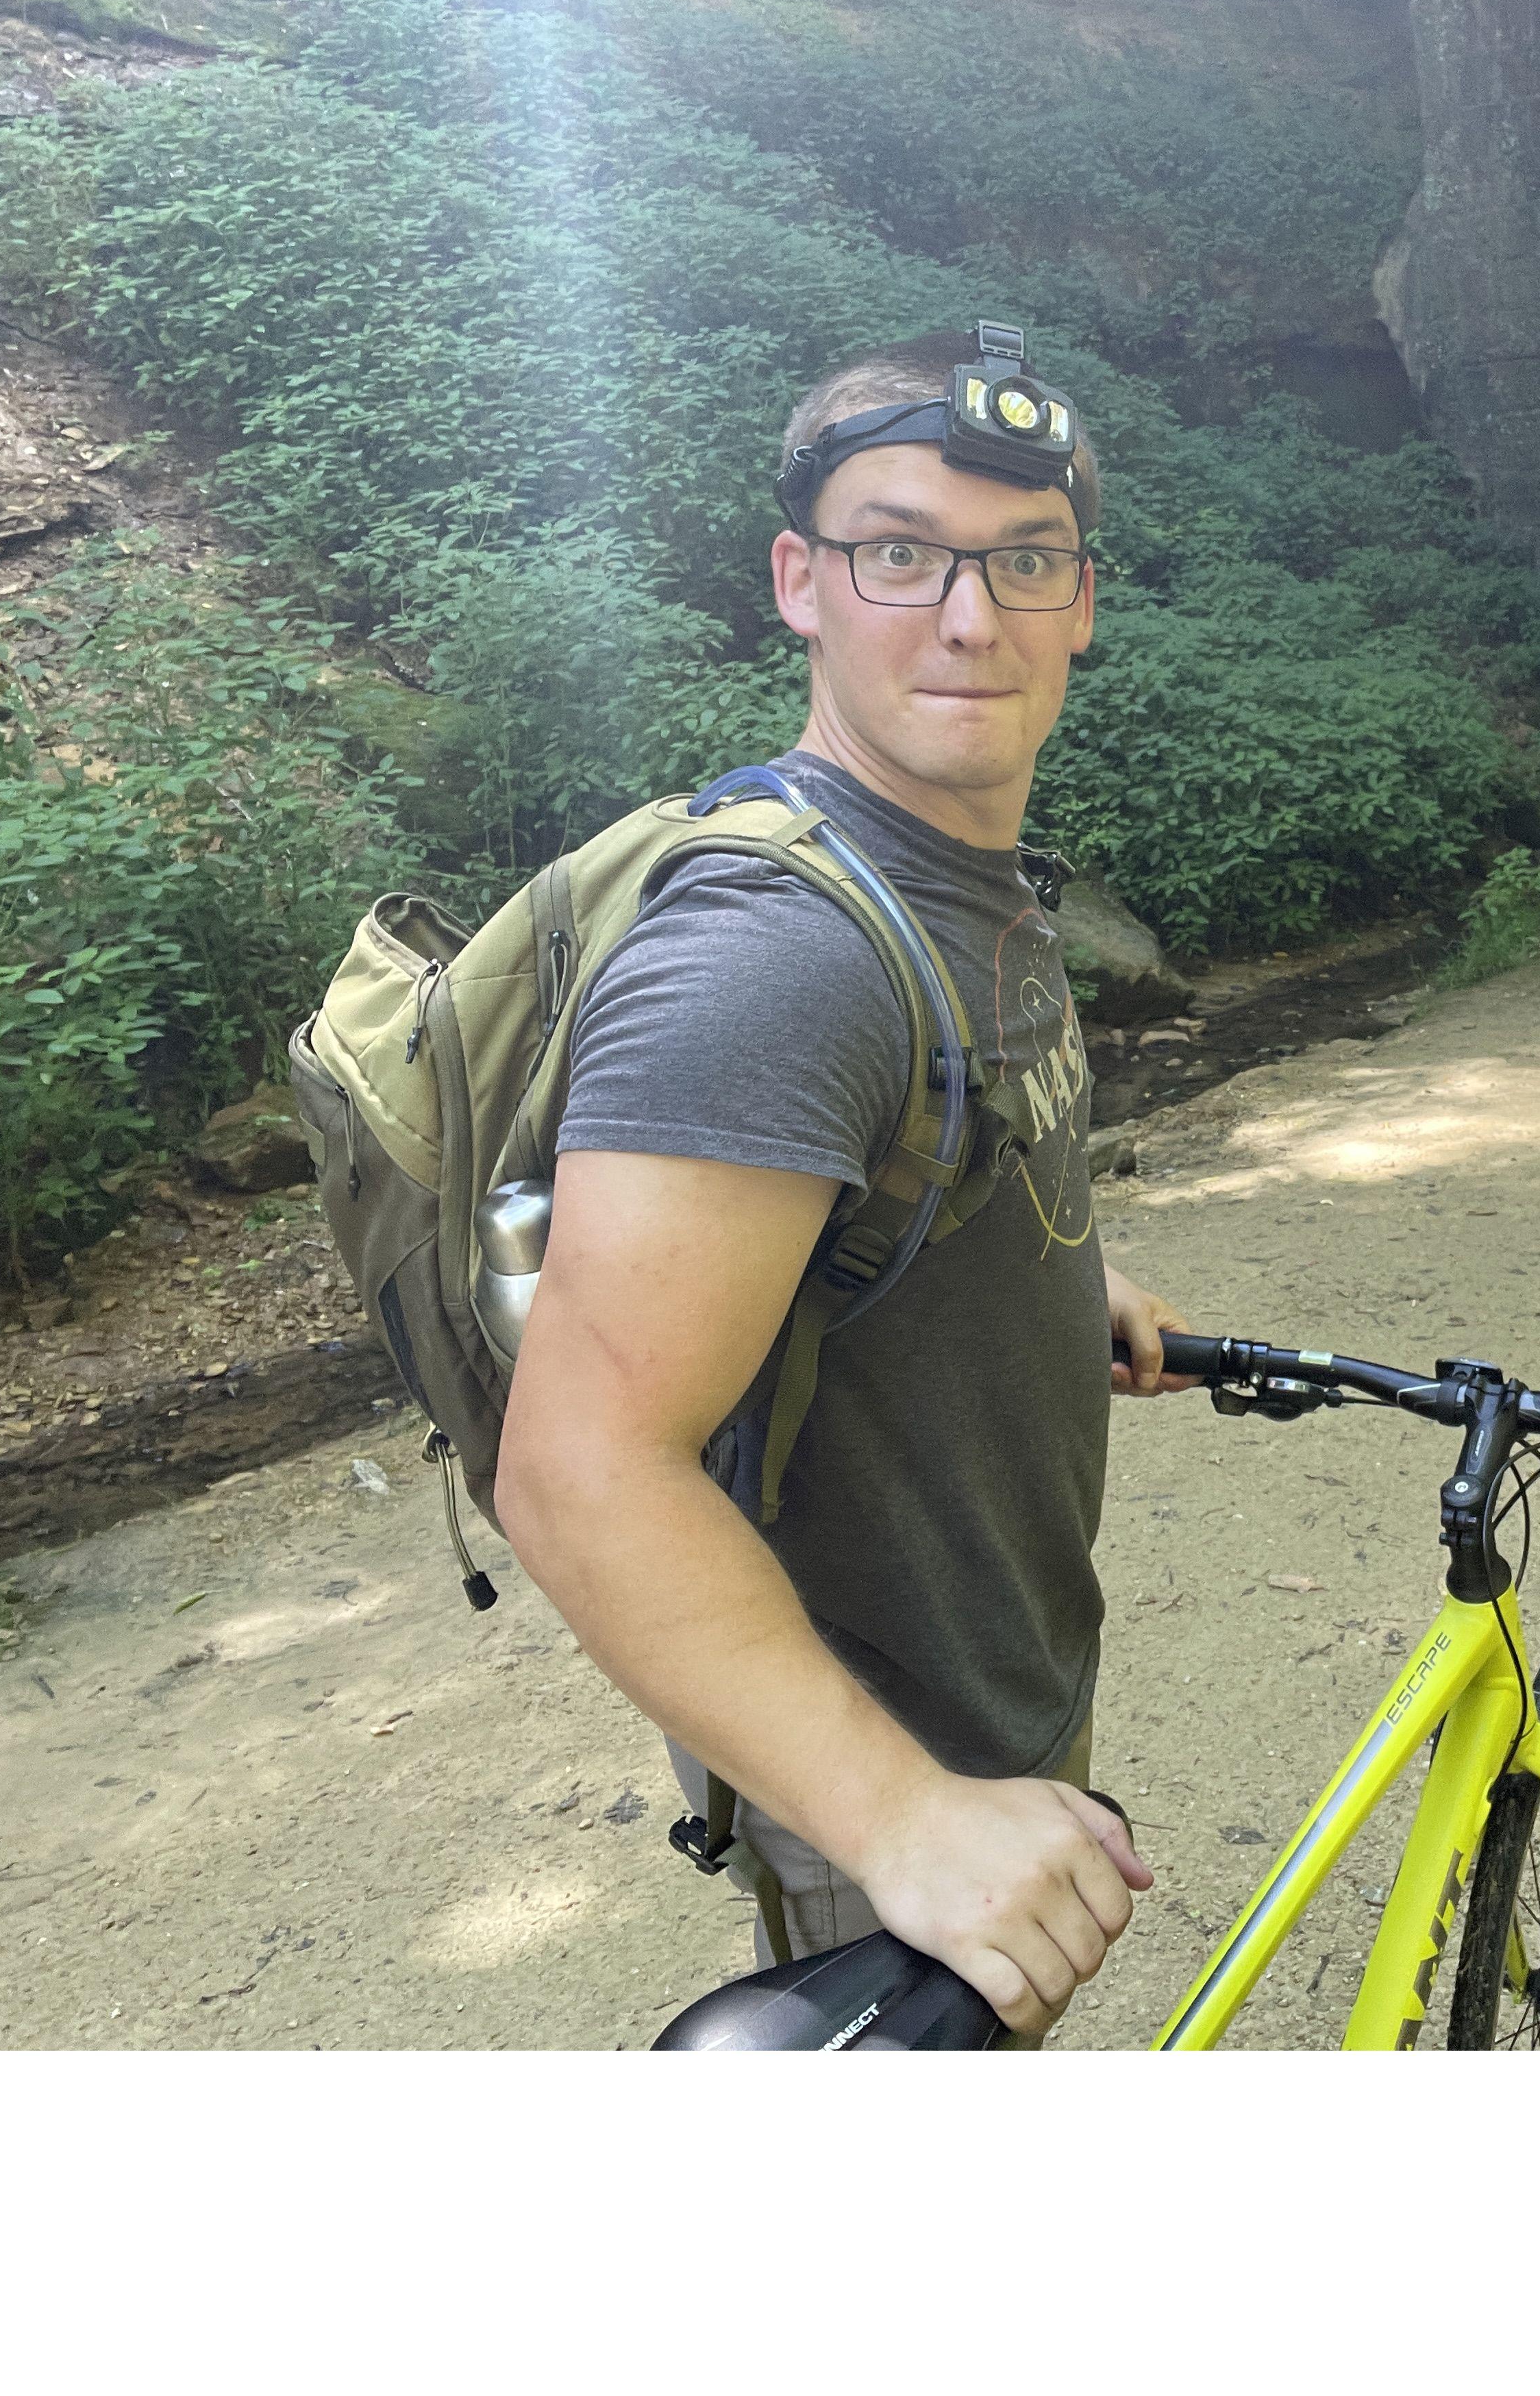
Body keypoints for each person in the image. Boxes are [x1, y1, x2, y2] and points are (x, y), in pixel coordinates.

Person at [492, 328, 1191, 2043]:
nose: (971, 618)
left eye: (1025, 561)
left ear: (1083, 600)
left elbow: (910, 1154)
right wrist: (903, 1818)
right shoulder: (779, 958)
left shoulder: (962, 866)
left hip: (983, 1688)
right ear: (802, 581)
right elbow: (579, 1471)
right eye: (901, 553)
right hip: (865, 1760)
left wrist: (1034, 1274)